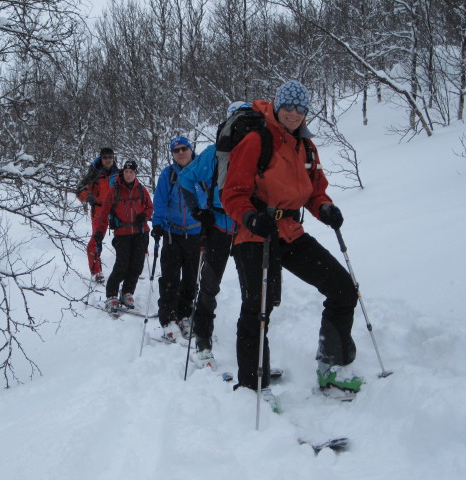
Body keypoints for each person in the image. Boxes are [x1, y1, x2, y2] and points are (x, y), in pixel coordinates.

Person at [221, 80, 362, 397]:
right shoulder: (257, 140)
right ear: (278, 105)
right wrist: (251, 217)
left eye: (301, 108)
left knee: (342, 289)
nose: (295, 113)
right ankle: (253, 388)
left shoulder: (306, 146)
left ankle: (332, 366)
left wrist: (324, 208)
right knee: (258, 309)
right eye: (289, 106)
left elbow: (314, 190)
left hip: (290, 232)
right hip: (255, 233)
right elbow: (232, 193)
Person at [178, 102, 249, 367]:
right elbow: (186, 179)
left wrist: (199, 210)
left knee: (213, 285)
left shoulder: (214, 153)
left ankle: (208, 340)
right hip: (236, 225)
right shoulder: (216, 154)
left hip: (229, 225)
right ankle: (208, 338)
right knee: (226, 286)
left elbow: (185, 179)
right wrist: (199, 209)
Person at [151, 136, 202, 342]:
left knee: (191, 279)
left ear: (191, 150)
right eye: (176, 150)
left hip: (195, 233)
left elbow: (208, 200)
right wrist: (157, 224)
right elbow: (160, 201)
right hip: (172, 233)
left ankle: (184, 314)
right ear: (172, 154)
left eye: (184, 148)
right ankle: (168, 317)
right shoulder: (168, 174)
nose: (180, 152)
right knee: (170, 278)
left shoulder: (202, 171)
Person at [93, 160, 153, 313]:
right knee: (122, 265)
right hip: (122, 234)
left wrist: (144, 215)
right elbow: (104, 213)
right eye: (126, 172)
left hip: (140, 232)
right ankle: (111, 295)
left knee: (137, 266)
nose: (128, 174)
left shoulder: (141, 190)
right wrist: (99, 232)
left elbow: (150, 207)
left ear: (135, 173)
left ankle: (127, 292)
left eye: (131, 172)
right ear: (122, 172)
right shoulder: (115, 191)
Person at [76, 147, 118, 284]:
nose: (108, 160)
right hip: (99, 211)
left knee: (129, 237)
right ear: (101, 158)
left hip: (116, 211)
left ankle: (134, 263)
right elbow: (79, 191)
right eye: (105, 157)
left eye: (110, 157)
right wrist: (87, 197)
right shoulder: (94, 174)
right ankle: (96, 271)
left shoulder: (118, 174)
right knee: (95, 242)